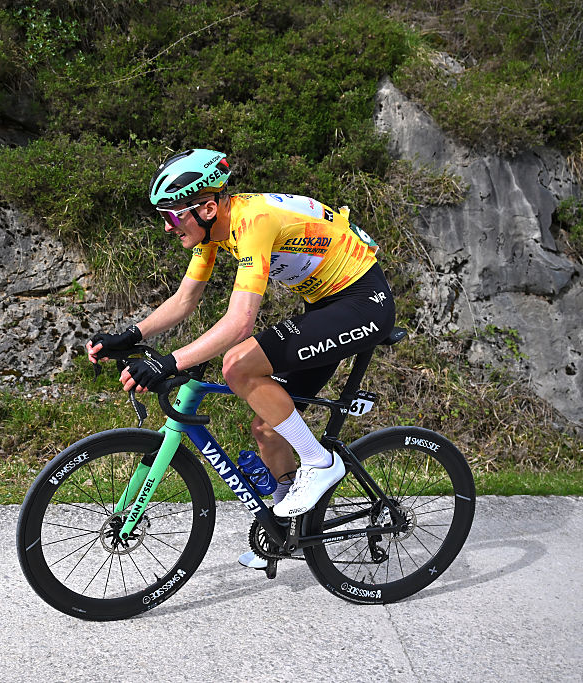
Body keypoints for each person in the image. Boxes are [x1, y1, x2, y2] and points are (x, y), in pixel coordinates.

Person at [87, 149, 396, 570]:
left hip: (363, 303)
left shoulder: (254, 222)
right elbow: (184, 299)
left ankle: (321, 463)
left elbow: (239, 324)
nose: (167, 226)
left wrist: (169, 362)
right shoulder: (215, 231)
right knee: (267, 429)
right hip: (325, 307)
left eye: (173, 216)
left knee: (238, 365)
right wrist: (131, 334)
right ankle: (286, 532)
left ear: (208, 207)